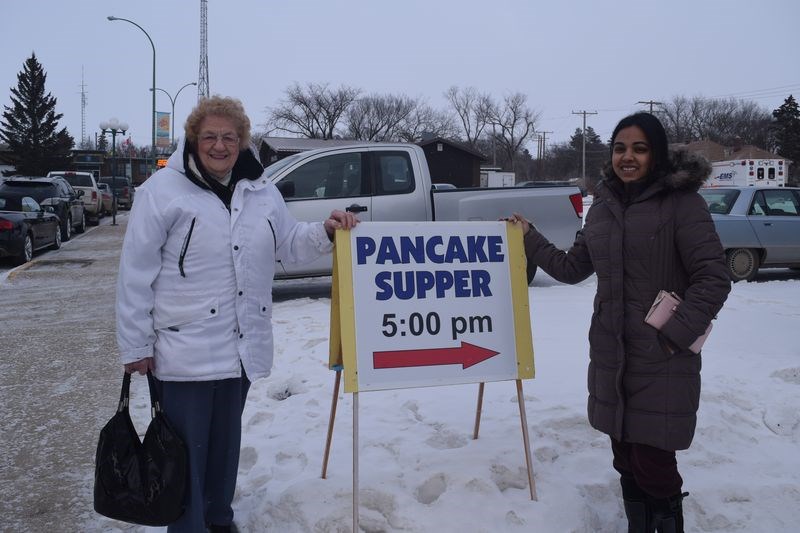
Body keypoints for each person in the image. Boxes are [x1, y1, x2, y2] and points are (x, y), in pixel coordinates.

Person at [115, 95, 358, 532]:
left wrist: (324, 230)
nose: (220, 146)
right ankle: (189, 526)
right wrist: (135, 345)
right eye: (210, 136)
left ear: (242, 140)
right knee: (185, 451)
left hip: (240, 347)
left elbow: (288, 244)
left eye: (230, 136)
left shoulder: (260, 191)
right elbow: (135, 274)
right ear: (193, 139)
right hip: (182, 349)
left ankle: (219, 518)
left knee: (225, 447)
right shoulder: (162, 192)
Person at [508, 112, 730, 532]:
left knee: (655, 463)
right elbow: (572, 268)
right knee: (625, 457)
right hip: (612, 356)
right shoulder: (603, 208)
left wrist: (673, 336)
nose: (627, 157)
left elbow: (713, 278)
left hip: (662, 359)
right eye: (620, 148)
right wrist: (529, 237)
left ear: (657, 155)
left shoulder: (682, 204)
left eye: (639, 149)